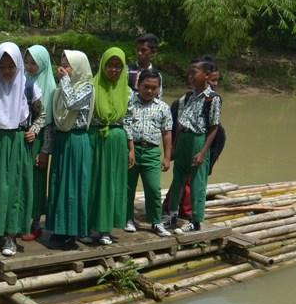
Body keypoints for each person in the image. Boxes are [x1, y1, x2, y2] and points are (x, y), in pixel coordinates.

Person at [0, 42, 42, 257]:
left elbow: (43, 115)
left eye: (11, 67)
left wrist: (35, 129)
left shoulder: (29, 88)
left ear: (18, 66)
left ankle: (11, 237)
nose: (6, 71)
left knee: (14, 191)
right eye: (2, 67)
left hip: (18, 144)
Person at [45, 50, 95, 249]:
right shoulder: (61, 88)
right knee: (58, 184)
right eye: (62, 65)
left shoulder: (87, 88)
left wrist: (65, 81)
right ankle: (58, 228)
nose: (62, 70)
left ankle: (72, 232)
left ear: (78, 68)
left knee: (73, 186)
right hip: (62, 140)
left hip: (76, 141)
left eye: (67, 66)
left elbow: (71, 102)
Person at [166, 59, 222, 233]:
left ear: (206, 75)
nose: (190, 76)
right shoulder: (187, 97)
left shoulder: (212, 99)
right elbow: (180, 124)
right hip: (184, 139)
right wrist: (174, 146)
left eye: (194, 73)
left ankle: (196, 221)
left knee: (197, 182)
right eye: (189, 73)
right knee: (178, 179)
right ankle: (172, 215)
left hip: (199, 140)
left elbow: (214, 128)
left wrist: (202, 152)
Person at [88, 47, 131, 245]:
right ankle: (89, 226)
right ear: (103, 65)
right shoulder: (92, 87)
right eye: (110, 65)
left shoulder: (128, 91)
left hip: (117, 141)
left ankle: (106, 229)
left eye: (118, 66)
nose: (113, 70)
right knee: (94, 183)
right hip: (95, 139)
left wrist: (131, 149)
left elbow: (130, 121)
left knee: (112, 185)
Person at [123, 69, 173, 237]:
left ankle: (156, 222)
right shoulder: (129, 103)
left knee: (153, 188)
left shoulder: (163, 108)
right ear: (138, 85)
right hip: (132, 150)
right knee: (128, 187)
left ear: (159, 88)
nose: (150, 91)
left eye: (154, 87)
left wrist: (167, 157)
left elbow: (167, 133)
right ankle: (128, 219)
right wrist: (129, 150)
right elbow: (126, 126)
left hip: (152, 151)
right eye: (146, 87)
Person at [21, 45, 57, 242]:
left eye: (33, 62)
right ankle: (20, 221)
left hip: (40, 139)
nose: (29, 66)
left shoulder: (50, 87)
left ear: (43, 63)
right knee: (22, 180)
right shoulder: (24, 81)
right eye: (26, 62)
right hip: (25, 139)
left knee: (35, 182)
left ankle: (35, 223)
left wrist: (44, 152)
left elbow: (49, 125)